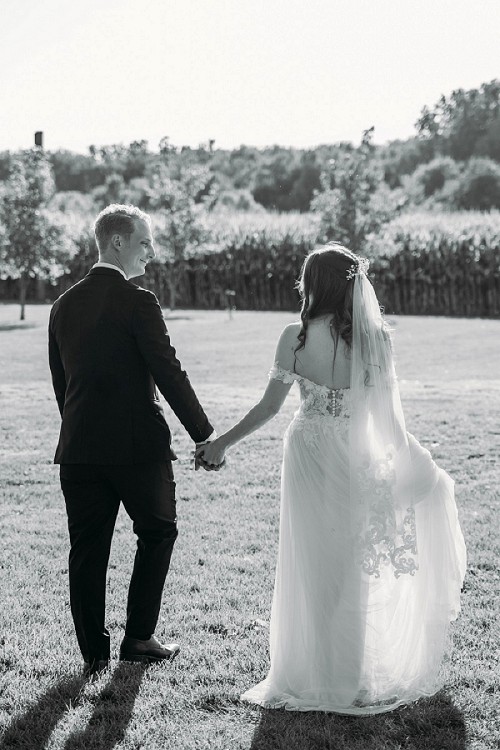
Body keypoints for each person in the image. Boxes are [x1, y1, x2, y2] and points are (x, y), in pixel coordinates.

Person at [196, 244, 467, 714]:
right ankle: (347, 675)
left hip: (308, 451)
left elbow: (268, 408)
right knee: (349, 564)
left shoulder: (294, 336)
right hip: (354, 455)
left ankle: (312, 673)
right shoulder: (377, 338)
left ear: (313, 284)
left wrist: (221, 442)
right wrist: (413, 461)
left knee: (312, 562)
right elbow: (388, 419)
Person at [49, 204, 216, 676]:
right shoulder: (139, 301)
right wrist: (204, 435)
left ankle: (93, 654)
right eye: (144, 241)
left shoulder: (62, 305)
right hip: (137, 449)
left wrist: (81, 431)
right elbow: (169, 372)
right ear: (118, 242)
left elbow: (63, 387)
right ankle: (139, 639)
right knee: (158, 531)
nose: (151, 251)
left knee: (87, 547)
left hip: (79, 450)